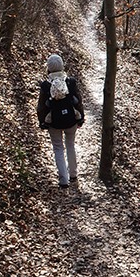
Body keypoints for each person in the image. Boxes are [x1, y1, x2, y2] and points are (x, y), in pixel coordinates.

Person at [37, 54, 85, 188]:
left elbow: (41, 106)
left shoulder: (46, 86)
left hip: (54, 123)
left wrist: (42, 122)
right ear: (62, 65)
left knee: (58, 148)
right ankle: (73, 174)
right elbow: (78, 101)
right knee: (70, 145)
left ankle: (63, 180)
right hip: (71, 120)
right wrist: (80, 117)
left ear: (49, 68)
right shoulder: (70, 82)